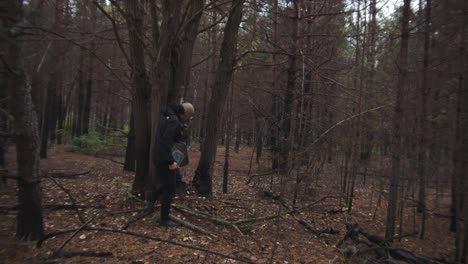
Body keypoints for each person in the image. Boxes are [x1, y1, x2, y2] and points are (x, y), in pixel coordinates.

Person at [145, 102, 194, 227]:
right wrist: (170, 162)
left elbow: (173, 139)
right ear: (184, 114)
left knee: (177, 179)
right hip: (164, 159)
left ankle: (152, 196)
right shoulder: (173, 121)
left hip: (163, 156)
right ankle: (164, 219)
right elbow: (165, 143)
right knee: (170, 189)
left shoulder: (168, 117)